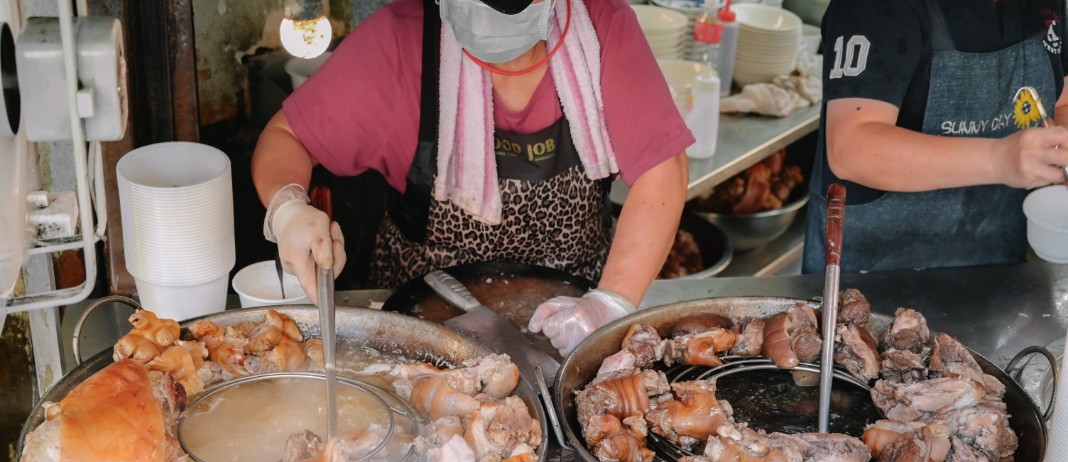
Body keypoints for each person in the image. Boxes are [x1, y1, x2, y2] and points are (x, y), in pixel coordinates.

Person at [251, 0, 692, 356]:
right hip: (420, 330)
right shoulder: (400, 37)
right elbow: (288, 136)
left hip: (572, 325)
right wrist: (289, 208)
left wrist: (608, 304)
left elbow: (662, 168)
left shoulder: (603, 25)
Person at [802, 0, 1068, 273]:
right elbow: (851, 148)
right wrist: (1000, 159)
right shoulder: (869, 8)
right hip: (873, 281)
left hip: (1000, 275)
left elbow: (1061, 102)